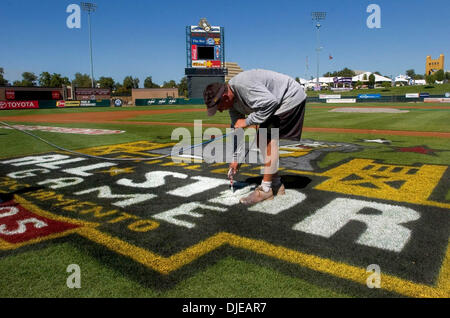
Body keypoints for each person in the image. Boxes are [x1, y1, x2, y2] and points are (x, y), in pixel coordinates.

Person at [203, 69, 307, 205]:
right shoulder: (232, 104)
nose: (220, 111)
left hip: (289, 98)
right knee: (261, 140)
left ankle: (266, 190)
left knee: (267, 141)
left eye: (219, 107)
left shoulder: (244, 86)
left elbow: (270, 102)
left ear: (225, 97)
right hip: (276, 101)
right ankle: (275, 184)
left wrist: (247, 121)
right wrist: (236, 159)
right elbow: (237, 131)